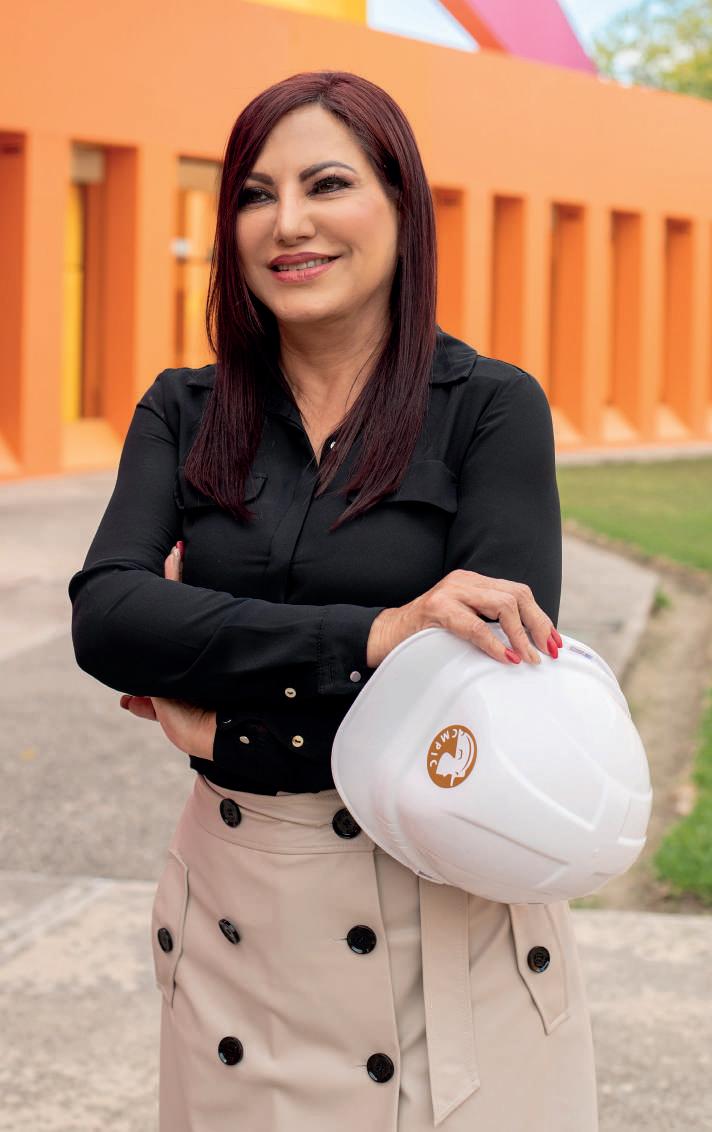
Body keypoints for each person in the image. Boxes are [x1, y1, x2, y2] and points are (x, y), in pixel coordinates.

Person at [68, 70, 598, 1131]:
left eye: (327, 184)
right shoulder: (183, 410)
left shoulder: (491, 409)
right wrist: (383, 634)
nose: (288, 224)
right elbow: (109, 617)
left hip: (449, 939)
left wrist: (224, 722)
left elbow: (483, 705)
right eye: (255, 195)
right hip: (237, 934)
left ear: (402, 206)